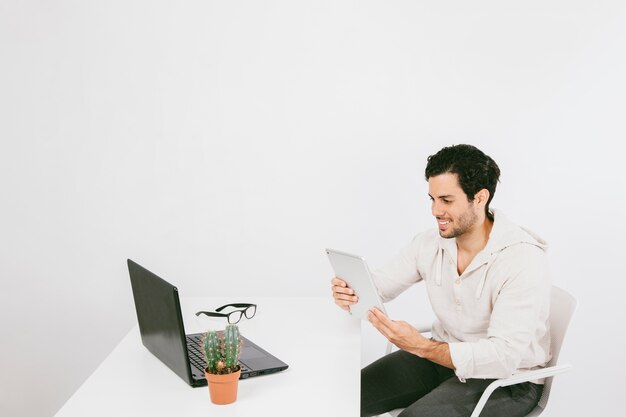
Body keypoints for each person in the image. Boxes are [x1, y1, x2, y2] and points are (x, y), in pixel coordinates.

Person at [331, 144, 550, 417]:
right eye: (432, 199)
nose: (435, 210)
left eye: (446, 200)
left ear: (480, 198)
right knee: (344, 395)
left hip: (507, 380)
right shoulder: (429, 244)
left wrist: (421, 346)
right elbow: (382, 285)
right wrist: (351, 291)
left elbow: (503, 358)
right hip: (440, 360)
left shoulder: (521, 259)